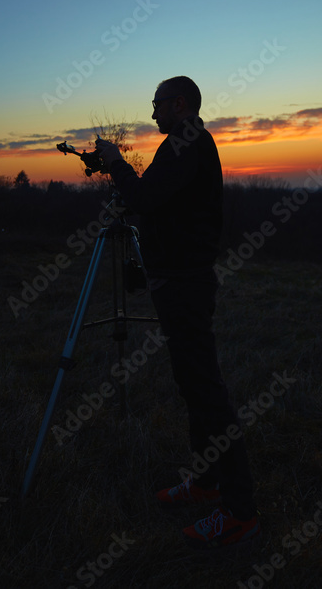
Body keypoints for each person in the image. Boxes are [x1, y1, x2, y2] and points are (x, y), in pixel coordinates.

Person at [94, 76, 259, 550]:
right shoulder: (185, 144)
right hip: (178, 281)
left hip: (186, 284)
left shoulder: (188, 141)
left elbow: (145, 198)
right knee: (192, 385)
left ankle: (240, 512)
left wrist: (116, 164)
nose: (153, 114)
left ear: (179, 103)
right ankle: (206, 483)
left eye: (157, 104)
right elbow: (158, 200)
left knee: (207, 391)